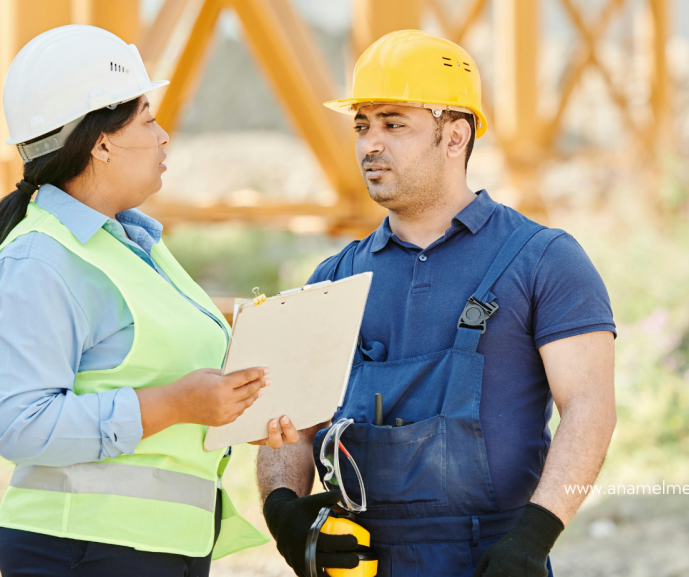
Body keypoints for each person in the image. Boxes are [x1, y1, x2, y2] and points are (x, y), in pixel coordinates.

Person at [257, 30, 617, 577]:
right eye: (362, 125)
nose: (369, 144)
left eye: (393, 124)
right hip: (363, 560)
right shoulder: (333, 278)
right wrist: (283, 511)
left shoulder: (544, 260)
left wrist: (534, 537)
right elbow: (287, 425)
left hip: (495, 556)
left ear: (454, 136)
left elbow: (590, 408)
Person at [0, 25, 299, 577]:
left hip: (160, 547)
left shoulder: (134, 246)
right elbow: (19, 424)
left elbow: (163, 383)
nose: (165, 137)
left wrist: (238, 408)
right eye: (148, 119)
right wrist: (178, 404)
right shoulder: (41, 260)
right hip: (83, 548)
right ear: (101, 141)